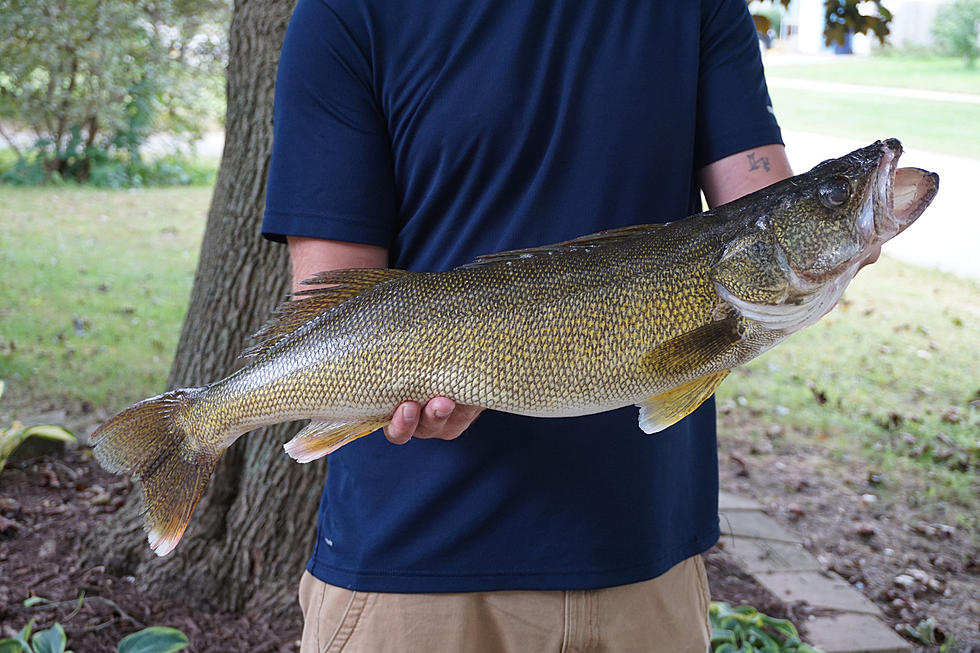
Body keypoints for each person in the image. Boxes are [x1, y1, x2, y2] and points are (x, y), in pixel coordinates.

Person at [262, 0, 792, 650]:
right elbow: (332, 299)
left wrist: (844, 225)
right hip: (413, 570)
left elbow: (764, 217)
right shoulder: (348, 12)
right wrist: (395, 389)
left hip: (644, 560)